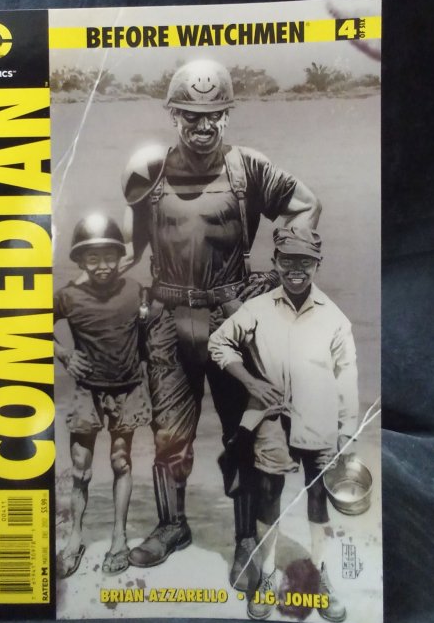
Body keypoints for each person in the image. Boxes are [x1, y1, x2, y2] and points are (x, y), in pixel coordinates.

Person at [120, 59, 321, 584]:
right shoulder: (150, 171)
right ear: (173, 114)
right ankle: (172, 526)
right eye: (191, 115)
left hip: (232, 318)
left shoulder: (248, 168)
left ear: (227, 115)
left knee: (242, 431)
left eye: (214, 114)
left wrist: (283, 271)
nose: (203, 125)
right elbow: (130, 240)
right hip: (166, 320)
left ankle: (246, 540)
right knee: (169, 431)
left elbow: (305, 205)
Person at [208, 227, 359, 622]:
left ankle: (320, 576)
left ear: (318, 264)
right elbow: (219, 343)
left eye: (305, 261)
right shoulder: (257, 309)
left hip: (320, 418)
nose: (296, 269)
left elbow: (346, 374)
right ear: (274, 261)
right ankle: (268, 574)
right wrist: (250, 382)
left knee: (318, 496)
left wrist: (347, 430)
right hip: (272, 418)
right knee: (268, 492)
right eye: (287, 260)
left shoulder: (334, 317)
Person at [54, 213, 151, 578]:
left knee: (121, 462)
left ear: (120, 256)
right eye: (92, 258)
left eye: (109, 256)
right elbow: (28, 324)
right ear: (79, 260)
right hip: (87, 391)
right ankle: (75, 537)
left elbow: (151, 334)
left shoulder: (135, 291)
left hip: (127, 389)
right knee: (80, 467)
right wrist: (65, 355)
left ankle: (119, 537)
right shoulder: (68, 297)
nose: (102, 266)